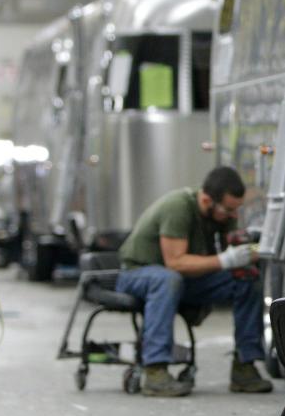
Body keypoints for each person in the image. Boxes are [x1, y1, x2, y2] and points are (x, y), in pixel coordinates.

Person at [116, 166, 272, 397]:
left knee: (246, 277)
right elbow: (175, 263)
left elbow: (230, 249)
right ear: (208, 200)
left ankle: (244, 367)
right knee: (168, 279)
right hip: (138, 274)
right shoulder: (178, 207)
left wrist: (251, 251)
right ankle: (155, 371)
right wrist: (225, 260)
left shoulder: (221, 214)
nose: (233, 216)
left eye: (236, 209)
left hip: (182, 280)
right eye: (229, 209)